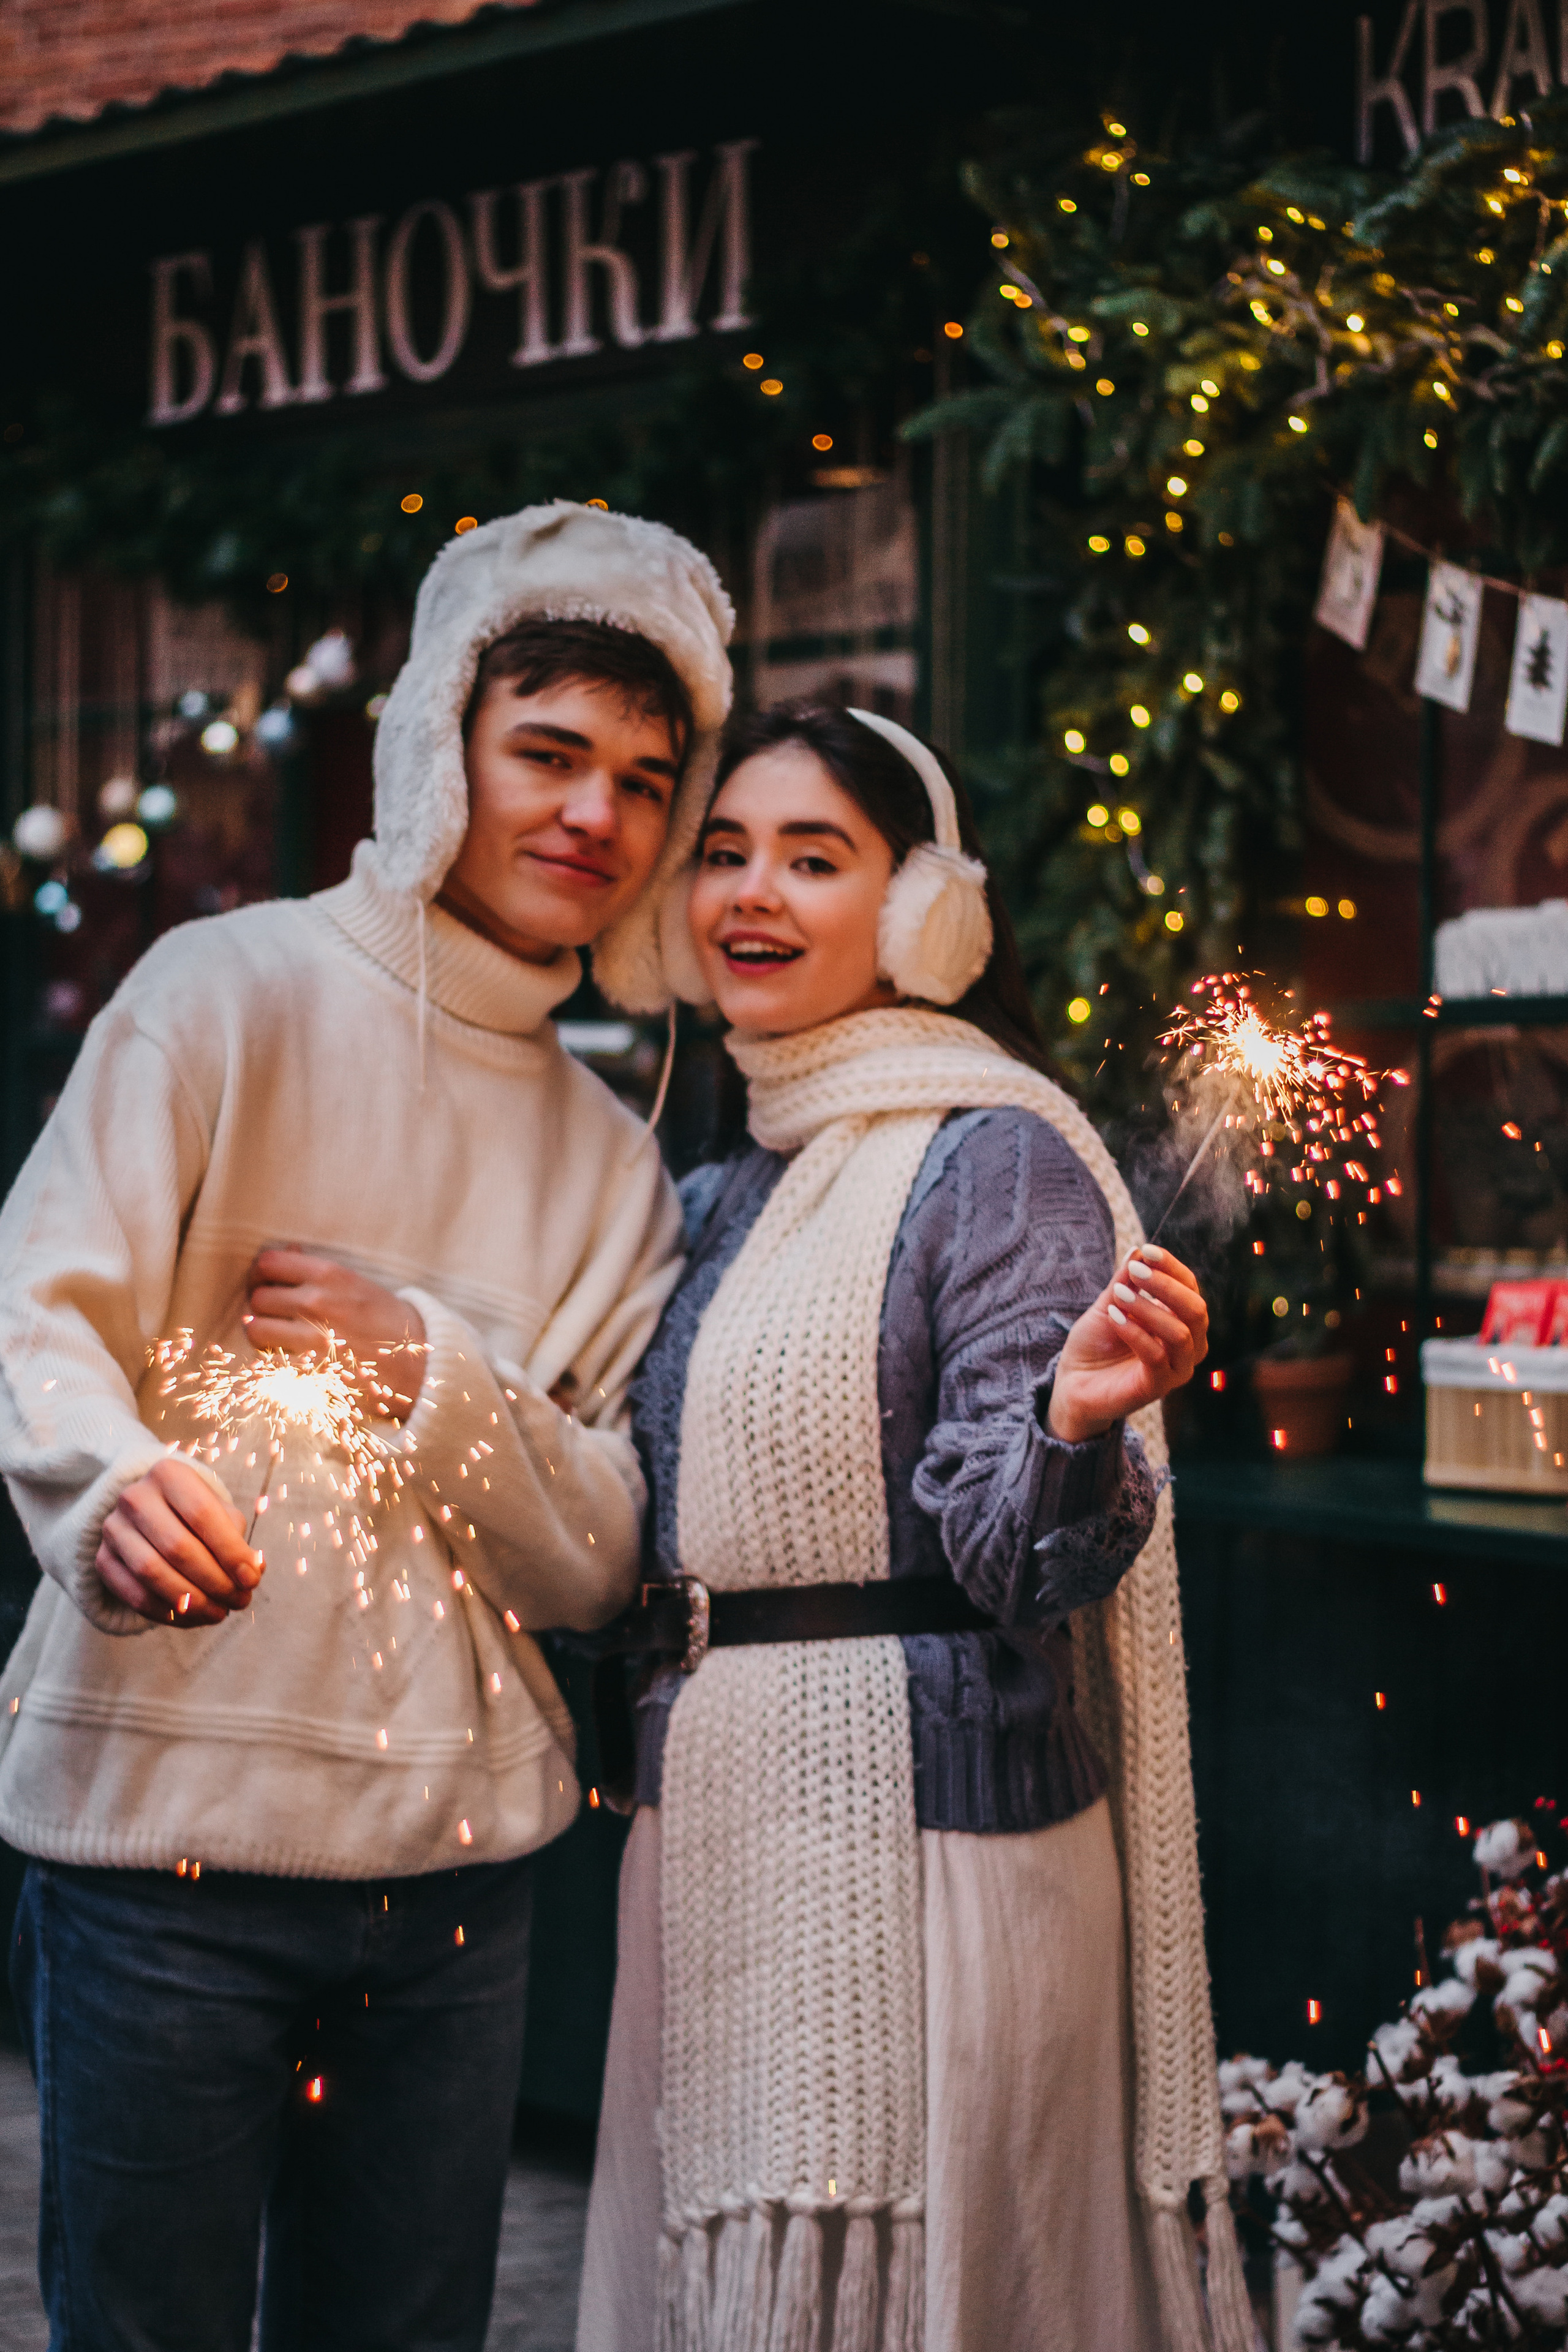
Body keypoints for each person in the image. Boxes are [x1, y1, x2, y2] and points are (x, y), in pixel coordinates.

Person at [0, 500, 734, 2352]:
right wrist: (107, 1487)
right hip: (161, 1850)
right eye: (548, 753)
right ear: (437, 750)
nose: (596, 813)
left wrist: (430, 1368)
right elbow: (40, 1309)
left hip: (459, 1889)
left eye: (647, 782)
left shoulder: (614, 1165)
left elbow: (602, 1560)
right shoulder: (222, 990)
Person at [575, 702, 1253, 2352]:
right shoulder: (719, 1186)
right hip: (709, 1824)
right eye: (725, 853)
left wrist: (1071, 1425)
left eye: (815, 859)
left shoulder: (998, 1160)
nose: (753, 892)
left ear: (923, 912)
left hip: (942, 1847)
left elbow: (1022, 1562)